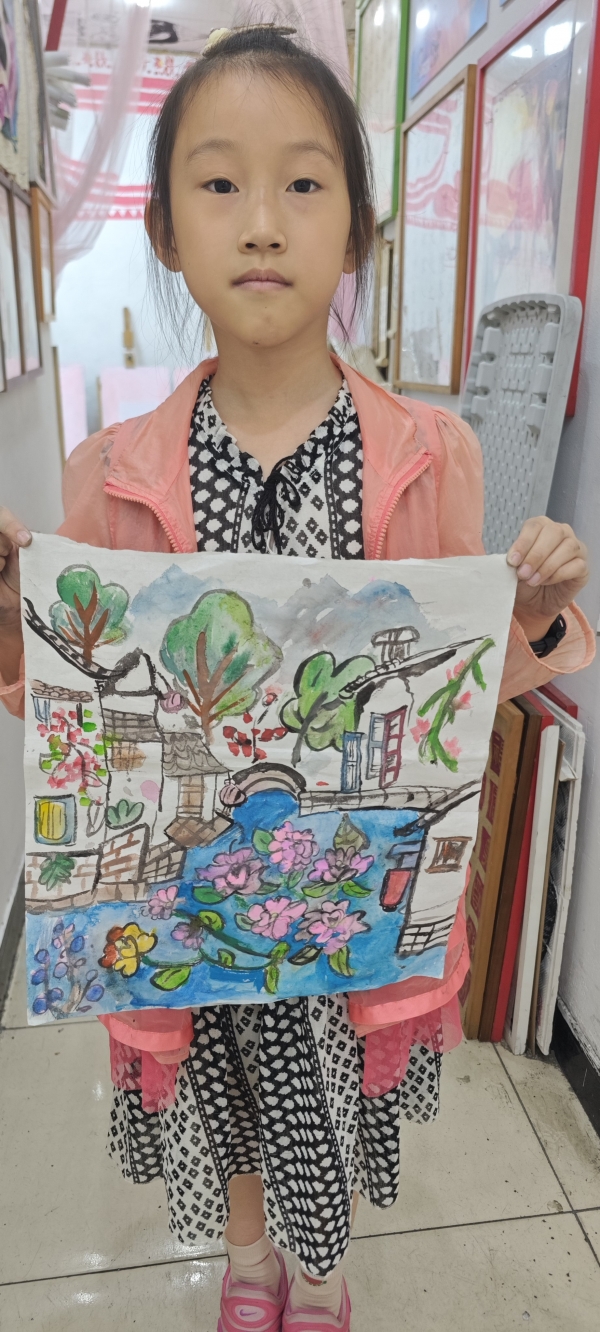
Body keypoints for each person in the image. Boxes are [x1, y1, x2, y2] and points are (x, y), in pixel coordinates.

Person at [0, 26, 593, 1332]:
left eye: (304, 183)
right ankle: (251, 1269)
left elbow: (446, 691)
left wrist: (527, 613)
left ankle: (319, 1278)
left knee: (324, 1098)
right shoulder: (113, 471)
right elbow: (69, 702)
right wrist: (14, 622)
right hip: (196, 892)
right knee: (223, 1097)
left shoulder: (428, 452)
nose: (263, 221)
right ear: (165, 231)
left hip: (338, 907)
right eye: (220, 183)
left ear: (358, 231)